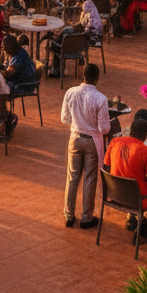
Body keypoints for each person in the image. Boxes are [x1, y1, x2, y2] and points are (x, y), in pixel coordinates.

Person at [61, 62, 110, 229]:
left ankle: (69, 214)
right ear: (96, 78)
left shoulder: (70, 92)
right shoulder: (101, 98)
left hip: (74, 138)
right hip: (91, 142)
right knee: (90, 179)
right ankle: (86, 217)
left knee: (72, 177)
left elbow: (65, 119)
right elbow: (104, 128)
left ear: (83, 76)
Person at [103, 117, 147, 230]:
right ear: (145, 136)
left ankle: (131, 216)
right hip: (138, 201)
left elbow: (106, 163)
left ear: (130, 132)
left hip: (115, 194)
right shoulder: (145, 150)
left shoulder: (115, 141)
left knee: (131, 180)